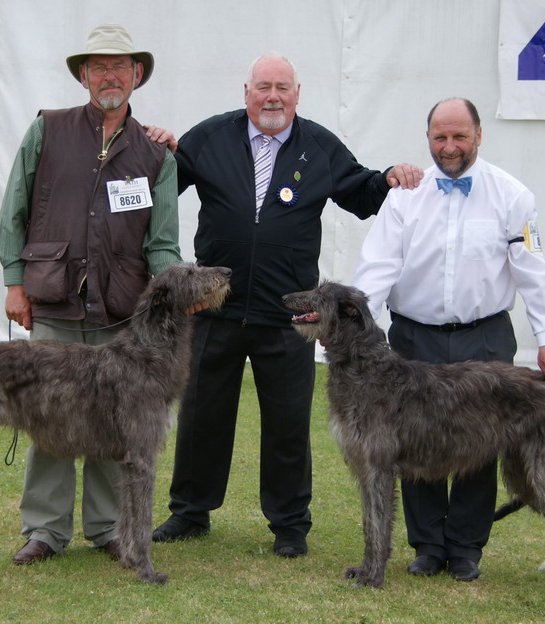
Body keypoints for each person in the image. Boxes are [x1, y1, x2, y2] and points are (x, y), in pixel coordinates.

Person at [151, 53, 422, 558]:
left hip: (290, 318)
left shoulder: (318, 146)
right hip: (214, 310)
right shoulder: (210, 137)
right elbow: (161, 180)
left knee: (288, 423)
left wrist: (389, 177)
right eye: (263, 87)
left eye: (282, 87)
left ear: (298, 93)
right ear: (246, 92)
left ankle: (290, 524)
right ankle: (189, 510)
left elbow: (360, 191)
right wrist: (159, 149)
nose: (272, 96)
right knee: (201, 417)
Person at [352, 97, 545, 582]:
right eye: (439, 138)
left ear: (478, 135)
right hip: (414, 339)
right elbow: (377, 268)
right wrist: (358, 335)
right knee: (412, 446)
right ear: (427, 138)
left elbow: (533, 271)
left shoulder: (513, 195)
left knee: (479, 447)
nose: (449, 147)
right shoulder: (404, 195)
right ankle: (427, 546)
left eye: (459, 137)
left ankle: (467, 548)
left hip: (485, 338)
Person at [0, 23, 182, 566]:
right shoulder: (46, 130)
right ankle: (44, 530)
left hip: (122, 309)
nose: (109, 76)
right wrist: (13, 281)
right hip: (52, 298)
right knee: (49, 419)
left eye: (119, 67)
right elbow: (15, 210)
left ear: (137, 75)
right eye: (98, 67)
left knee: (115, 423)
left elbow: (163, 242)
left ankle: (106, 528)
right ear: (82, 75)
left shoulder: (156, 154)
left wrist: (167, 298)